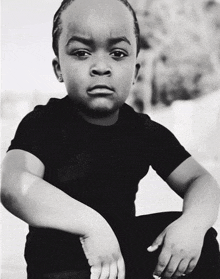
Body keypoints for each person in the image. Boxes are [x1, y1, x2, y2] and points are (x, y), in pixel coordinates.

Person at [1, 0, 220, 278]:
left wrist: (192, 223)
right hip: (60, 265)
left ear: (135, 72)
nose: (101, 66)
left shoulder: (142, 131)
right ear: (59, 68)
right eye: (81, 52)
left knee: (201, 240)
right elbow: (13, 186)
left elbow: (200, 181)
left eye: (117, 53)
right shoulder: (45, 123)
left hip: (121, 254)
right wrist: (91, 226)